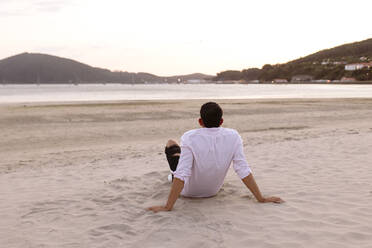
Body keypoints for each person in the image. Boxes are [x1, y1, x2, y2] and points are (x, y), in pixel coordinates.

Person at [148, 102, 283, 213]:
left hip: (187, 192)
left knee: (171, 143)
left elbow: (182, 173)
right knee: (182, 157)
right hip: (212, 191)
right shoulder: (234, 136)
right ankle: (178, 156)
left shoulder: (189, 137)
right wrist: (261, 198)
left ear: (200, 121)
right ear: (221, 121)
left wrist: (168, 207)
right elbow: (242, 169)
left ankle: (176, 159)